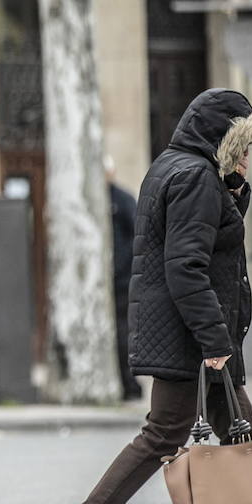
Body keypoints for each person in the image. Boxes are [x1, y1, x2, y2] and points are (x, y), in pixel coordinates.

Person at [51, 89, 252, 504]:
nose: (246, 156)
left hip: (185, 330)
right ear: (222, 138)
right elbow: (187, 268)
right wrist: (214, 341)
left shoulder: (175, 168)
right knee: (164, 432)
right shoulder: (196, 177)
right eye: (242, 145)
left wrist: (235, 193)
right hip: (190, 335)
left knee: (241, 428)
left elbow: (207, 241)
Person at [105, 156, 142, 401]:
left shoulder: (121, 199)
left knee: (124, 331)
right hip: (112, 278)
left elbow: (138, 235)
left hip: (121, 279)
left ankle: (129, 383)